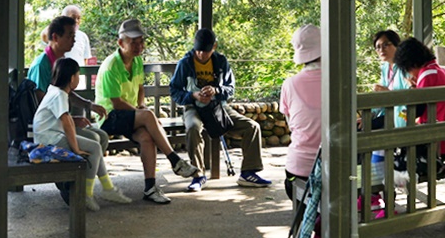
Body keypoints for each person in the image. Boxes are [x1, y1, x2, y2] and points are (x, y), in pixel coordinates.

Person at [26, 15, 129, 205]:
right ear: (55, 37)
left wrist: (88, 106)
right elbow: (46, 104)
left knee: (101, 137)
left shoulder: (61, 60)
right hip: (49, 132)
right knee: (94, 142)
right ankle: (75, 187)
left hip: (57, 124)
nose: (74, 40)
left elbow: (66, 92)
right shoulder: (43, 64)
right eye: (70, 36)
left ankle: (90, 182)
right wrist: (72, 121)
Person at [97, 18, 199, 204]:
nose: (139, 46)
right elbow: (116, 103)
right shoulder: (111, 65)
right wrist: (142, 113)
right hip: (108, 116)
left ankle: (150, 188)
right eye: (133, 42)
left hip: (129, 115)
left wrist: (141, 107)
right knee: (148, 117)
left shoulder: (136, 62)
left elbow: (141, 88)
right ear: (121, 43)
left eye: (141, 41)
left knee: (146, 136)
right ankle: (174, 159)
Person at [169, 28, 272, 191]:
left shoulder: (221, 61)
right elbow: (174, 90)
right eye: (199, 50)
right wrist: (193, 95)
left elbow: (230, 89)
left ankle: (248, 173)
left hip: (218, 107)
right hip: (193, 107)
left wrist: (216, 91)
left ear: (214, 47)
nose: (202, 54)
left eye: (206, 51)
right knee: (193, 128)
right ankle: (198, 175)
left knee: (252, 127)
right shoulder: (185, 63)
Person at [32, 58, 107, 211]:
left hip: (52, 134)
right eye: (78, 75)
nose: (78, 78)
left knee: (99, 136)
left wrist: (75, 120)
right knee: (94, 146)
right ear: (72, 77)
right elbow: (66, 123)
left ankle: (80, 184)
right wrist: (76, 149)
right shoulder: (59, 95)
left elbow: (64, 119)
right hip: (49, 140)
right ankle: (83, 194)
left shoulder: (56, 91)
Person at [393, 37, 445, 155]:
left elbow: (415, 111)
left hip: (436, 142)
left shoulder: (427, 75)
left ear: (411, 64)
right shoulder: (443, 72)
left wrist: (411, 90)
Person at [279, 24, 322, 203]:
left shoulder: (289, 84)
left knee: (291, 183)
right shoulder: (340, 81)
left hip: (299, 168)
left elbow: (291, 124)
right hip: (336, 168)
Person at [367, 29, 408, 186]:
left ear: (396, 46)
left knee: (369, 137)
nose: (381, 50)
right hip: (388, 114)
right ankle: (374, 189)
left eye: (386, 45)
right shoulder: (385, 68)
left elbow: (410, 98)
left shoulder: (405, 68)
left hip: (402, 116)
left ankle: (377, 190)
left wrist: (388, 93)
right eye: (377, 47)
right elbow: (381, 101)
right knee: (361, 128)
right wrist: (369, 116)